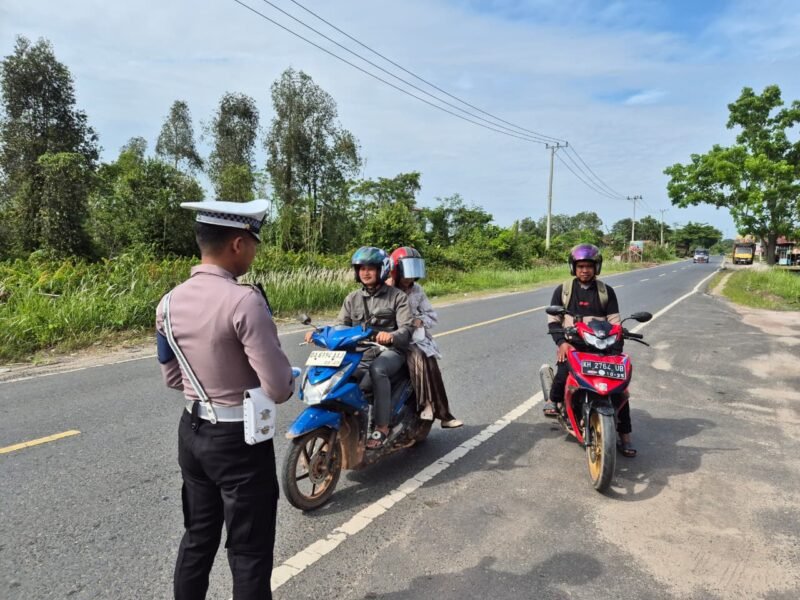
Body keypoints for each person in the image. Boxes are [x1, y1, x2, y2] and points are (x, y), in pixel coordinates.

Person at [156, 199, 295, 600]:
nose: (255, 250)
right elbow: (278, 388)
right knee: (249, 550)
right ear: (238, 244)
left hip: (192, 433)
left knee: (198, 537)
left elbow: (171, 376)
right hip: (238, 439)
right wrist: (289, 374)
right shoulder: (244, 301)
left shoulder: (167, 302)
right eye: (254, 241)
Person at [304, 246, 413, 449]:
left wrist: (390, 336)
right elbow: (340, 325)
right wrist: (319, 333)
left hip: (389, 352)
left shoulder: (397, 297)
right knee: (337, 377)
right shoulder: (352, 298)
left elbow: (407, 328)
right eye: (361, 268)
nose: (365, 272)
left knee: (377, 370)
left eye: (371, 267)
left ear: (382, 269)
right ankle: (341, 425)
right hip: (358, 352)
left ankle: (382, 427)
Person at [544, 243, 636, 458]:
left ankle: (625, 436)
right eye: (580, 266)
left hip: (601, 347)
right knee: (564, 372)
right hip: (573, 345)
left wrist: (616, 347)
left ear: (597, 267)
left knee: (619, 390)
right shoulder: (564, 290)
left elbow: (615, 323)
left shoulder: (606, 292)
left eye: (589, 266)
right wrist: (562, 343)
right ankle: (553, 400)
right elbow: (553, 322)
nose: (585, 270)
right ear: (573, 267)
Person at [389, 246, 462, 429]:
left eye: (413, 273)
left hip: (414, 338)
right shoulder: (387, 289)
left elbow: (431, 315)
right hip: (390, 338)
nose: (410, 278)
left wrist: (419, 321)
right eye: (406, 272)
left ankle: (437, 411)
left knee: (429, 363)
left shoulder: (417, 290)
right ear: (396, 270)